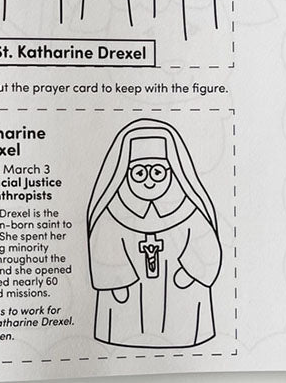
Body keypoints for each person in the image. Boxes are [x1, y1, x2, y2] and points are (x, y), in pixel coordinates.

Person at [86, 118, 222, 348]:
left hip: (180, 294)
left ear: (172, 170)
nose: (149, 181)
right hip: (127, 300)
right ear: (125, 172)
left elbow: (206, 249)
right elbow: (104, 248)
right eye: (139, 173)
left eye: (157, 172)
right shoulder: (114, 212)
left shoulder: (188, 210)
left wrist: (191, 273)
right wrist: (118, 281)